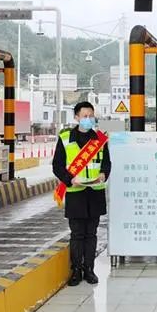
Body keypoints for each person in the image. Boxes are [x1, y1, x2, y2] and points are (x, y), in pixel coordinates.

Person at [53, 101, 111, 286]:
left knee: (91, 234)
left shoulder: (100, 139)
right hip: (76, 193)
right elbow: (57, 166)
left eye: (91, 116)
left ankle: (90, 270)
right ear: (76, 117)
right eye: (85, 116)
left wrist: (104, 174)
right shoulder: (65, 138)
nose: (88, 119)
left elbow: (106, 163)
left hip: (95, 193)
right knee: (77, 234)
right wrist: (70, 179)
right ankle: (76, 271)